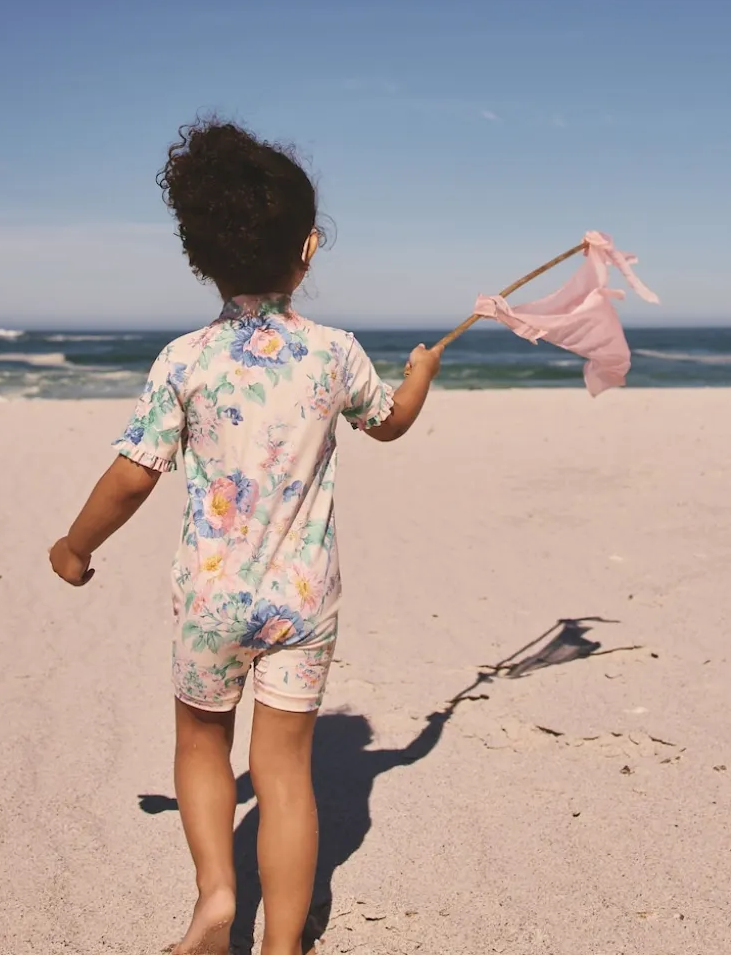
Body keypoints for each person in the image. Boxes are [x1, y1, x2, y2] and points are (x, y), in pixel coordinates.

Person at [49, 119, 443, 955]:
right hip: (303, 601)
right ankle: (284, 944)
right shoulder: (335, 353)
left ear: (202, 258)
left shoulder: (184, 360)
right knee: (286, 774)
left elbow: (133, 475)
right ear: (308, 248)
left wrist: (75, 547)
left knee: (201, 742)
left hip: (211, 599)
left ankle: (218, 897)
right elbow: (389, 423)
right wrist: (421, 377)